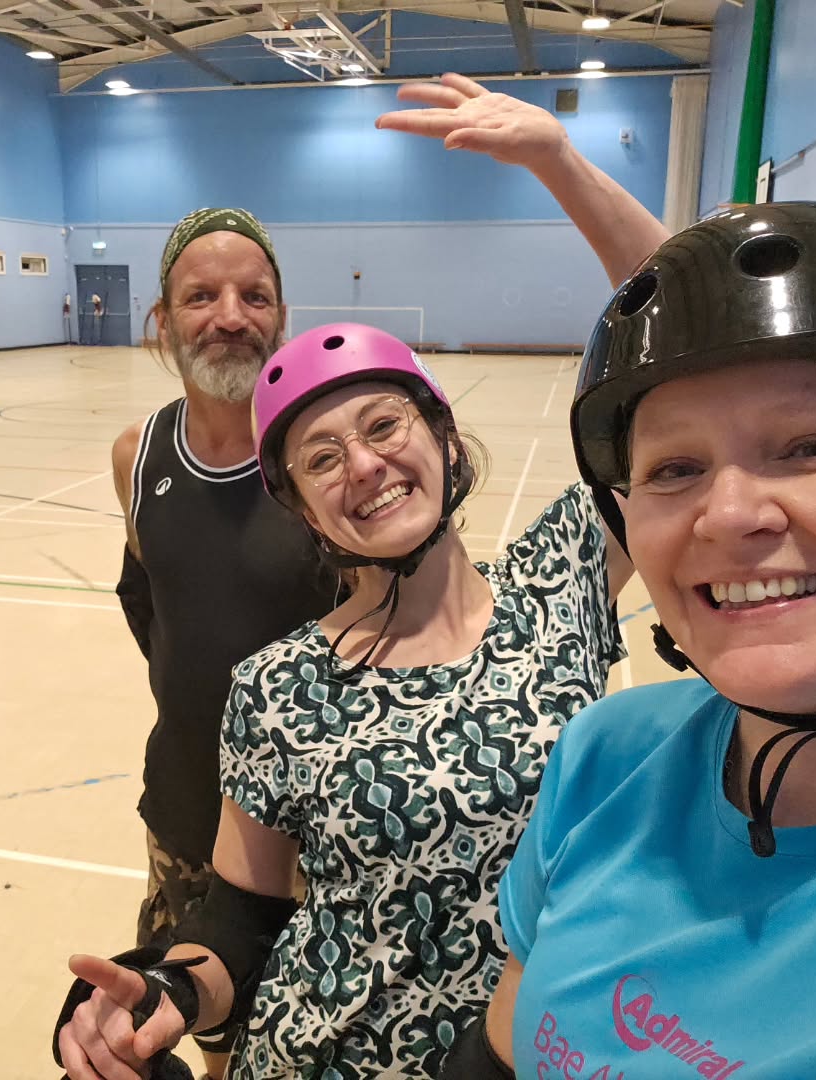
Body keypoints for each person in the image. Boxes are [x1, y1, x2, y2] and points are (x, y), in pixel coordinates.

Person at [55, 72, 668, 1080]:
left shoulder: (559, 583)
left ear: (444, 435)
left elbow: (692, 351)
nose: (367, 466)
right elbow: (241, 923)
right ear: (301, 507)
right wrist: (170, 993)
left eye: (385, 424)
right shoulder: (278, 685)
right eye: (323, 457)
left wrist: (559, 161)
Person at [461, 202, 816, 1078]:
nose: (727, 515)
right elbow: (501, 1048)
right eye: (675, 468)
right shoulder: (605, 758)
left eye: (813, 446)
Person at [110, 204, 344, 1078]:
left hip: (318, 834)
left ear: (282, 316)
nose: (230, 316)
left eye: (255, 295)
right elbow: (154, 605)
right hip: (185, 811)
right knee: (204, 1029)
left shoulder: (321, 454)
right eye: (201, 296)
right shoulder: (137, 454)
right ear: (163, 321)